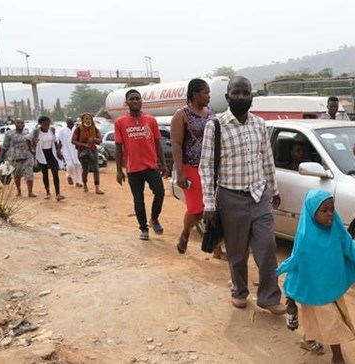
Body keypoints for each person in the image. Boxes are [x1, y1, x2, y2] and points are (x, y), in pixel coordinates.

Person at [199, 76, 285, 314]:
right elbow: (205, 167)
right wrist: (208, 203)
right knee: (237, 252)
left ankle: (269, 296)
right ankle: (239, 291)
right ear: (227, 97)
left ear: (252, 97)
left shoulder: (259, 124)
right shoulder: (215, 126)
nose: (241, 97)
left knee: (267, 247)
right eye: (235, 93)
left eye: (245, 93)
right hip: (230, 197)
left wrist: (274, 189)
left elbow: (266, 159)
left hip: (259, 194)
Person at [276, 190, 355, 364]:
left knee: (321, 321)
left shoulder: (336, 229)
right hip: (313, 289)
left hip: (331, 285)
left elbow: (348, 246)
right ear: (311, 212)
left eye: (332, 209)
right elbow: (297, 266)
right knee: (330, 322)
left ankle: (309, 340)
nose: (330, 214)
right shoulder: (305, 237)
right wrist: (291, 299)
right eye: (324, 210)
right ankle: (337, 356)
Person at [170, 78, 226, 258]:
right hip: (191, 168)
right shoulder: (182, 115)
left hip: (212, 167)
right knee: (197, 209)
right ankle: (186, 232)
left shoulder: (212, 113)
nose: (209, 96)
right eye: (206, 92)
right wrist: (180, 172)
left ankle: (216, 247)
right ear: (195, 94)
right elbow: (177, 144)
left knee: (215, 208)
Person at [114, 89, 169, 240]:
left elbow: (157, 143)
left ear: (141, 101)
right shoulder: (120, 122)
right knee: (138, 200)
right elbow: (119, 147)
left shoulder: (151, 120)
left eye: (137, 98)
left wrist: (163, 164)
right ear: (127, 103)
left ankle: (154, 218)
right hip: (133, 169)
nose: (135, 101)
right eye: (131, 99)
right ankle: (143, 228)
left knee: (160, 192)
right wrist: (119, 170)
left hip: (151, 166)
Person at [31, 116, 65, 201]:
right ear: (40, 124)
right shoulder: (36, 132)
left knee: (55, 173)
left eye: (48, 124)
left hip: (51, 153)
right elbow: (27, 139)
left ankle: (58, 194)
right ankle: (47, 192)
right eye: (44, 124)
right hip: (42, 154)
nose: (46, 126)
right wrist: (31, 151)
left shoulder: (52, 130)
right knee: (45, 174)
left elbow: (55, 141)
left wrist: (59, 151)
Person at [1, 118, 36, 197]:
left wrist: (34, 153)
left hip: (27, 157)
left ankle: (30, 192)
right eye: (18, 123)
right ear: (15, 124)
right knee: (17, 176)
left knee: (29, 174)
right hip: (15, 158)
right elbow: (4, 146)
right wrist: (2, 158)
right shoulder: (9, 134)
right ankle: (19, 190)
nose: (20, 124)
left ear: (24, 124)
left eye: (21, 123)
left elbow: (32, 143)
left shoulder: (27, 133)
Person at [72, 113, 104, 194]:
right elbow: (73, 141)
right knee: (85, 169)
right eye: (86, 118)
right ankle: (85, 184)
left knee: (96, 169)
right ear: (82, 120)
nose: (88, 120)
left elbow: (100, 140)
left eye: (89, 118)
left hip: (93, 150)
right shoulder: (78, 129)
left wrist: (93, 139)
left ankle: (97, 188)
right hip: (82, 151)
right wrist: (83, 144)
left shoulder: (95, 129)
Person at [59, 118, 83, 188]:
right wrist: (59, 151)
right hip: (66, 150)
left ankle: (79, 182)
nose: (70, 122)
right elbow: (60, 142)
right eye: (68, 121)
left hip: (75, 149)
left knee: (78, 165)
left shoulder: (77, 130)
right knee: (70, 165)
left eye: (71, 121)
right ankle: (69, 176)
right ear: (66, 122)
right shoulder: (62, 131)